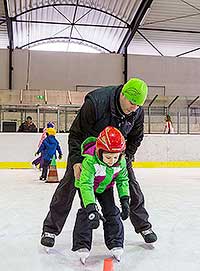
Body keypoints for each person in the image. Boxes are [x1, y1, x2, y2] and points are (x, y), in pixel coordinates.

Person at [41, 77, 157, 248]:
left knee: (131, 183)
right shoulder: (96, 102)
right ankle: (50, 229)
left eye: (139, 105)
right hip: (88, 152)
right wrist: (76, 161)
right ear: (123, 94)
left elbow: (136, 137)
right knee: (69, 185)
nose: (135, 108)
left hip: (117, 153)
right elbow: (75, 133)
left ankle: (143, 226)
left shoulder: (137, 111)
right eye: (132, 102)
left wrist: (127, 156)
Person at [72, 126, 130, 263]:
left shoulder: (120, 162)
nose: (112, 161)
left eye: (115, 157)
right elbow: (86, 185)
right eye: (108, 157)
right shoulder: (90, 161)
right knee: (87, 213)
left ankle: (115, 242)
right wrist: (91, 208)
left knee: (112, 211)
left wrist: (125, 200)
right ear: (99, 152)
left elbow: (123, 180)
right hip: (87, 188)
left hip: (105, 187)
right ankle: (82, 245)